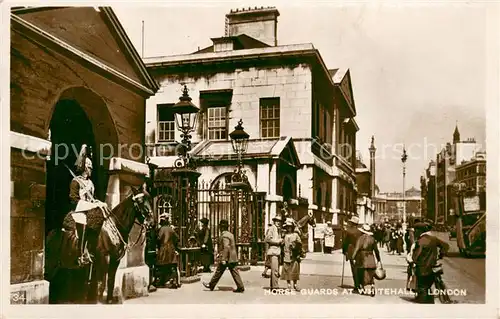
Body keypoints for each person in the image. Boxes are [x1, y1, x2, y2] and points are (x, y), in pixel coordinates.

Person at [65, 144, 108, 265]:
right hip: (78, 210)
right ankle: (81, 254)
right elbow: (74, 200)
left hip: (89, 209)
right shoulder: (75, 182)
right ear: (85, 168)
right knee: (83, 222)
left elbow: (92, 198)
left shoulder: (90, 183)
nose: (91, 170)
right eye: (90, 168)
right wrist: (91, 205)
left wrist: (98, 203)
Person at [412, 222, 450, 304]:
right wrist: (441, 255)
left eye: (416, 230)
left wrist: (413, 260)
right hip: (433, 269)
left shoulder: (421, 241)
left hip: (422, 269)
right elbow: (446, 246)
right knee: (428, 287)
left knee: (423, 289)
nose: (415, 232)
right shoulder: (433, 239)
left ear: (420, 231)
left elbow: (415, 256)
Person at [202, 219, 244, 293]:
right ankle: (240, 286)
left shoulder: (224, 235)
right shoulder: (230, 234)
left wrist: (224, 258)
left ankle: (211, 285)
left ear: (221, 227)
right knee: (234, 271)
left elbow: (226, 247)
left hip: (227, 257)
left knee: (219, 271)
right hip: (232, 256)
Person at [352, 223, 382, 296]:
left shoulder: (360, 238)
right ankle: (372, 286)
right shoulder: (372, 239)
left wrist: (353, 257)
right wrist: (378, 260)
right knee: (370, 273)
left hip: (362, 258)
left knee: (360, 273)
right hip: (371, 258)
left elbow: (356, 249)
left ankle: (362, 288)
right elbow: (376, 250)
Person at [156, 213, 180, 289]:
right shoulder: (170, 229)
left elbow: (158, 239)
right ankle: (175, 282)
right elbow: (177, 238)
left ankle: (161, 281)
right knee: (173, 266)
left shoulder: (162, 229)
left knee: (162, 266)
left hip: (163, 250)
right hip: (171, 249)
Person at [281, 218, 302, 291]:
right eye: (287, 227)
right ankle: (288, 285)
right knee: (287, 270)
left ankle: (295, 285)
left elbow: (300, 244)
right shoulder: (285, 235)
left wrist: (294, 245)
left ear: (292, 227)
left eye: (290, 226)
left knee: (294, 270)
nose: (289, 228)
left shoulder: (295, 235)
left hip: (294, 255)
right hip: (286, 254)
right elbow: (282, 243)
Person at [342, 215, 362, 289]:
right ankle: (361, 283)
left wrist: (344, 251)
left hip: (352, 252)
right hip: (360, 252)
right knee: (359, 268)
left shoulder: (348, 231)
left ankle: (356, 285)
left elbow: (345, 242)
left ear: (352, 223)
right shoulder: (360, 232)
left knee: (354, 269)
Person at [265, 216, 283, 290]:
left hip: (277, 251)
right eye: (277, 221)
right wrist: (279, 241)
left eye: (279, 221)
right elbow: (267, 239)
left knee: (275, 270)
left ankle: (273, 286)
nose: (278, 222)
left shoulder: (278, 229)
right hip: (273, 252)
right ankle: (275, 287)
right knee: (275, 270)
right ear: (274, 221)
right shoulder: (272, 228)